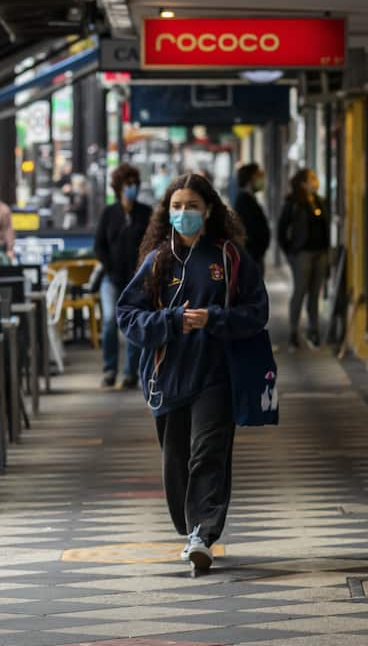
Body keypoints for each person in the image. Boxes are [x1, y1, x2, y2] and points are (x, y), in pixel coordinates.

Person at [117, 173, 268, 574]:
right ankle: (190, 528)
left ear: (210, 210)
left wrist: (214, 319)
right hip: (166, 376)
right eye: (177, 206)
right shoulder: (156, 262)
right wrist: (170, 321)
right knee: (175, 458)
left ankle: (202, 534)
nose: (184, 213)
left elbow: (257, 313)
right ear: (167, 212)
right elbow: (128, 316)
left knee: (209, 452)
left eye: (192, 206)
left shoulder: (230, 258)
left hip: (217, 374)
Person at [93, 164, 152, 389]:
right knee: (109, 321)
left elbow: (152, 243)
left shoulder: (145, 213)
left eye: (135, 184)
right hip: (111, 278)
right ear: (118, 187)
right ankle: (109, 369)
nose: (132, 188)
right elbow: (99, 246)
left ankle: (131, 373)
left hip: (137, 281)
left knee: (133, 325)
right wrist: (110, 267)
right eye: (128, 184)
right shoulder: (109, 213)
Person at [277, 168, 330, 349]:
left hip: (321, 252)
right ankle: (293, 331)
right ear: (303, 183)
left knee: (315, 293)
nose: (316, 182)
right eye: (312, 179)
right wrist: (291, 252)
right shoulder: (293, 203)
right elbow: (281, 230)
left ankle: (313, 330)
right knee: (300, 291)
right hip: (303, 253)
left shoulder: (320, 202)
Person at [233, 163, 271, 277]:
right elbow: (249, 231)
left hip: (255, 256)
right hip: (251, 256)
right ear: (251, 178)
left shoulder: (249, 198)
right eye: (259, 175)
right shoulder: (244, 201)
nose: (262, 179)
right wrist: (256, 251)